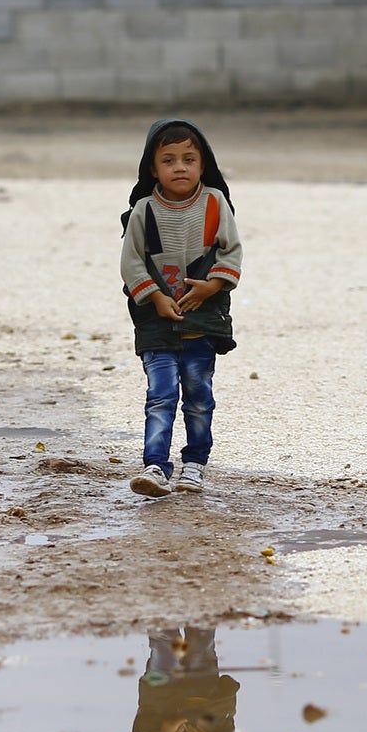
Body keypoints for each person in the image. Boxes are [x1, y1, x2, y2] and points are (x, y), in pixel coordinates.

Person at [120, 118, 242, 497]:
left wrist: (211, 287)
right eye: (169, 160)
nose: (180, 167)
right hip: (156, 324)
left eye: (189, 158)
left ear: (203, 164)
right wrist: (155, 296)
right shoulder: (143, 210)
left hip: (202, 324)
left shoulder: (214, 203)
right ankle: (155, 466)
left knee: (198, 397)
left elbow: (231, 252)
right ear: (152, 168)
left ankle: (194, 465)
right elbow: (131, 262)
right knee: (160, 397)